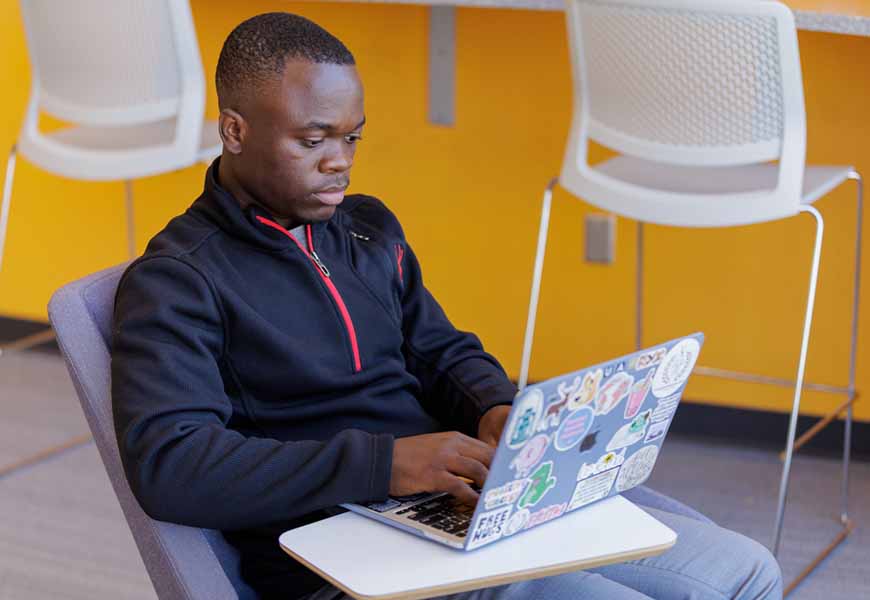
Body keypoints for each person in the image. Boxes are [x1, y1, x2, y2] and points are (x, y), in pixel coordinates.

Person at [111, 12, 783, 600]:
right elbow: (173, 466)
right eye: (313, 141)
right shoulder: (177, 280)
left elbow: (439, 349)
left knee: (747, 571)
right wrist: (388, 463)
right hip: (338, 548)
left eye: (352, 138)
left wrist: (495, 410)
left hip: (455, 499)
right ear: (233, 130)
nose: (339, 163)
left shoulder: (366, 230)